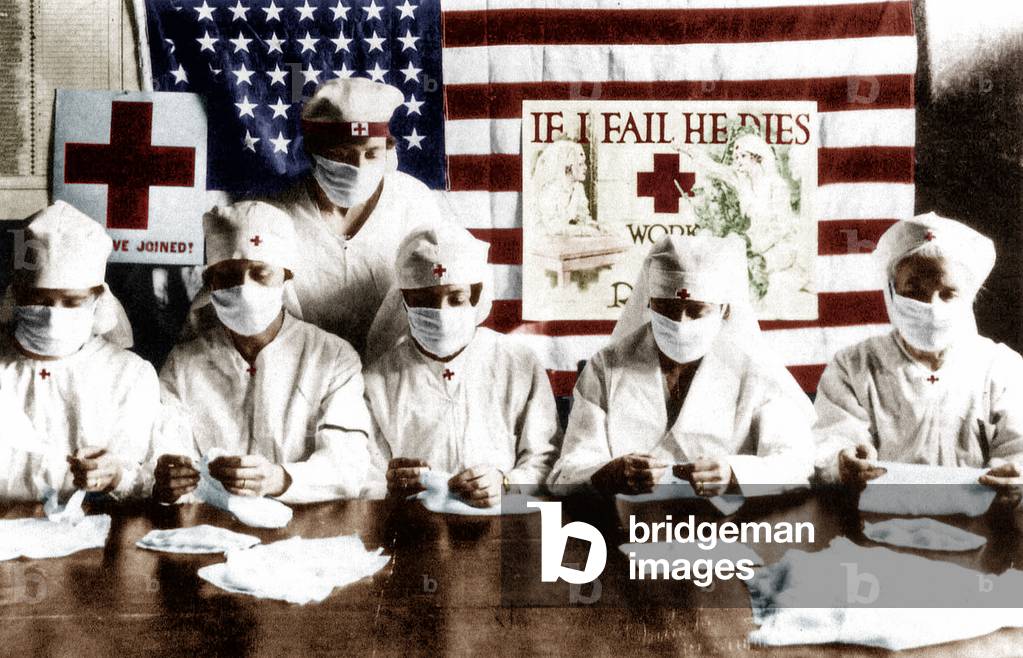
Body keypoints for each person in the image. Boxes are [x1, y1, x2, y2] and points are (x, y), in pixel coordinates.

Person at [549, 234, 815, 496]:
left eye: (697, 310)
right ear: (649, 303)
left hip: (729, 528)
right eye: (666, 308)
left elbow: (796, 461)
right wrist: (609, 473)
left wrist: (734, 473)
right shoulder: (606, 367)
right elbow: (568, 470)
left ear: (725, 310)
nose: (680, 323)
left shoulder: (755, 370)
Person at [155, 201, 372, 504]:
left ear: (286, 277)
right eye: (229, 274)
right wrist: (167, 478)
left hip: (305, 532)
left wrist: (280, 478)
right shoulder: (183, 364)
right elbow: (164, 451)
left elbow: (348, 466)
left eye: (261, 274)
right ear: (210, 281)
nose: (244, 288)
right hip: (212, 528)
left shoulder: (332, 358)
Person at [813, 212, 1023, 502]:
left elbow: (1018, 448)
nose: (931, 307)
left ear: (970, 297)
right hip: (877, 521)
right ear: (891, 292)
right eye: (914, 291)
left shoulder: (1001, 368)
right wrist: (842, 462)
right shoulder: (853, 366)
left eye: (948, 294)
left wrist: (1015, 477)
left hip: (980, 525)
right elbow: (832, 439)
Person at [363, 224, 562, 507]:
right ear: (405, 300)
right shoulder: (377, 381)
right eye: (425, 301)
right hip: (417, 528)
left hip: (504, 523)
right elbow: (364, 474)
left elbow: (547, 458)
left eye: (456, 298)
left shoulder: (518, 364)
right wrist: (388, 485)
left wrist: (506, 485)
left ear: (476, 297)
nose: (441, 314)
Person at [269, 77, 443, 360]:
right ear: (313, 152)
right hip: (307, 370)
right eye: (342, 155)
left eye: (371, 153)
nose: (358, 167)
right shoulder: (279, 212)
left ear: (387, 150)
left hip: (394, 373)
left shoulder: (412, 201)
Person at [0, 201, 161, 501]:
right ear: (16, 294)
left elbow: (149, 479)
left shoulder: (128, 374)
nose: (53, 315)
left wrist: (116, 476)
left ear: (97, 298)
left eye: (72, 301)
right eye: (39, 300)